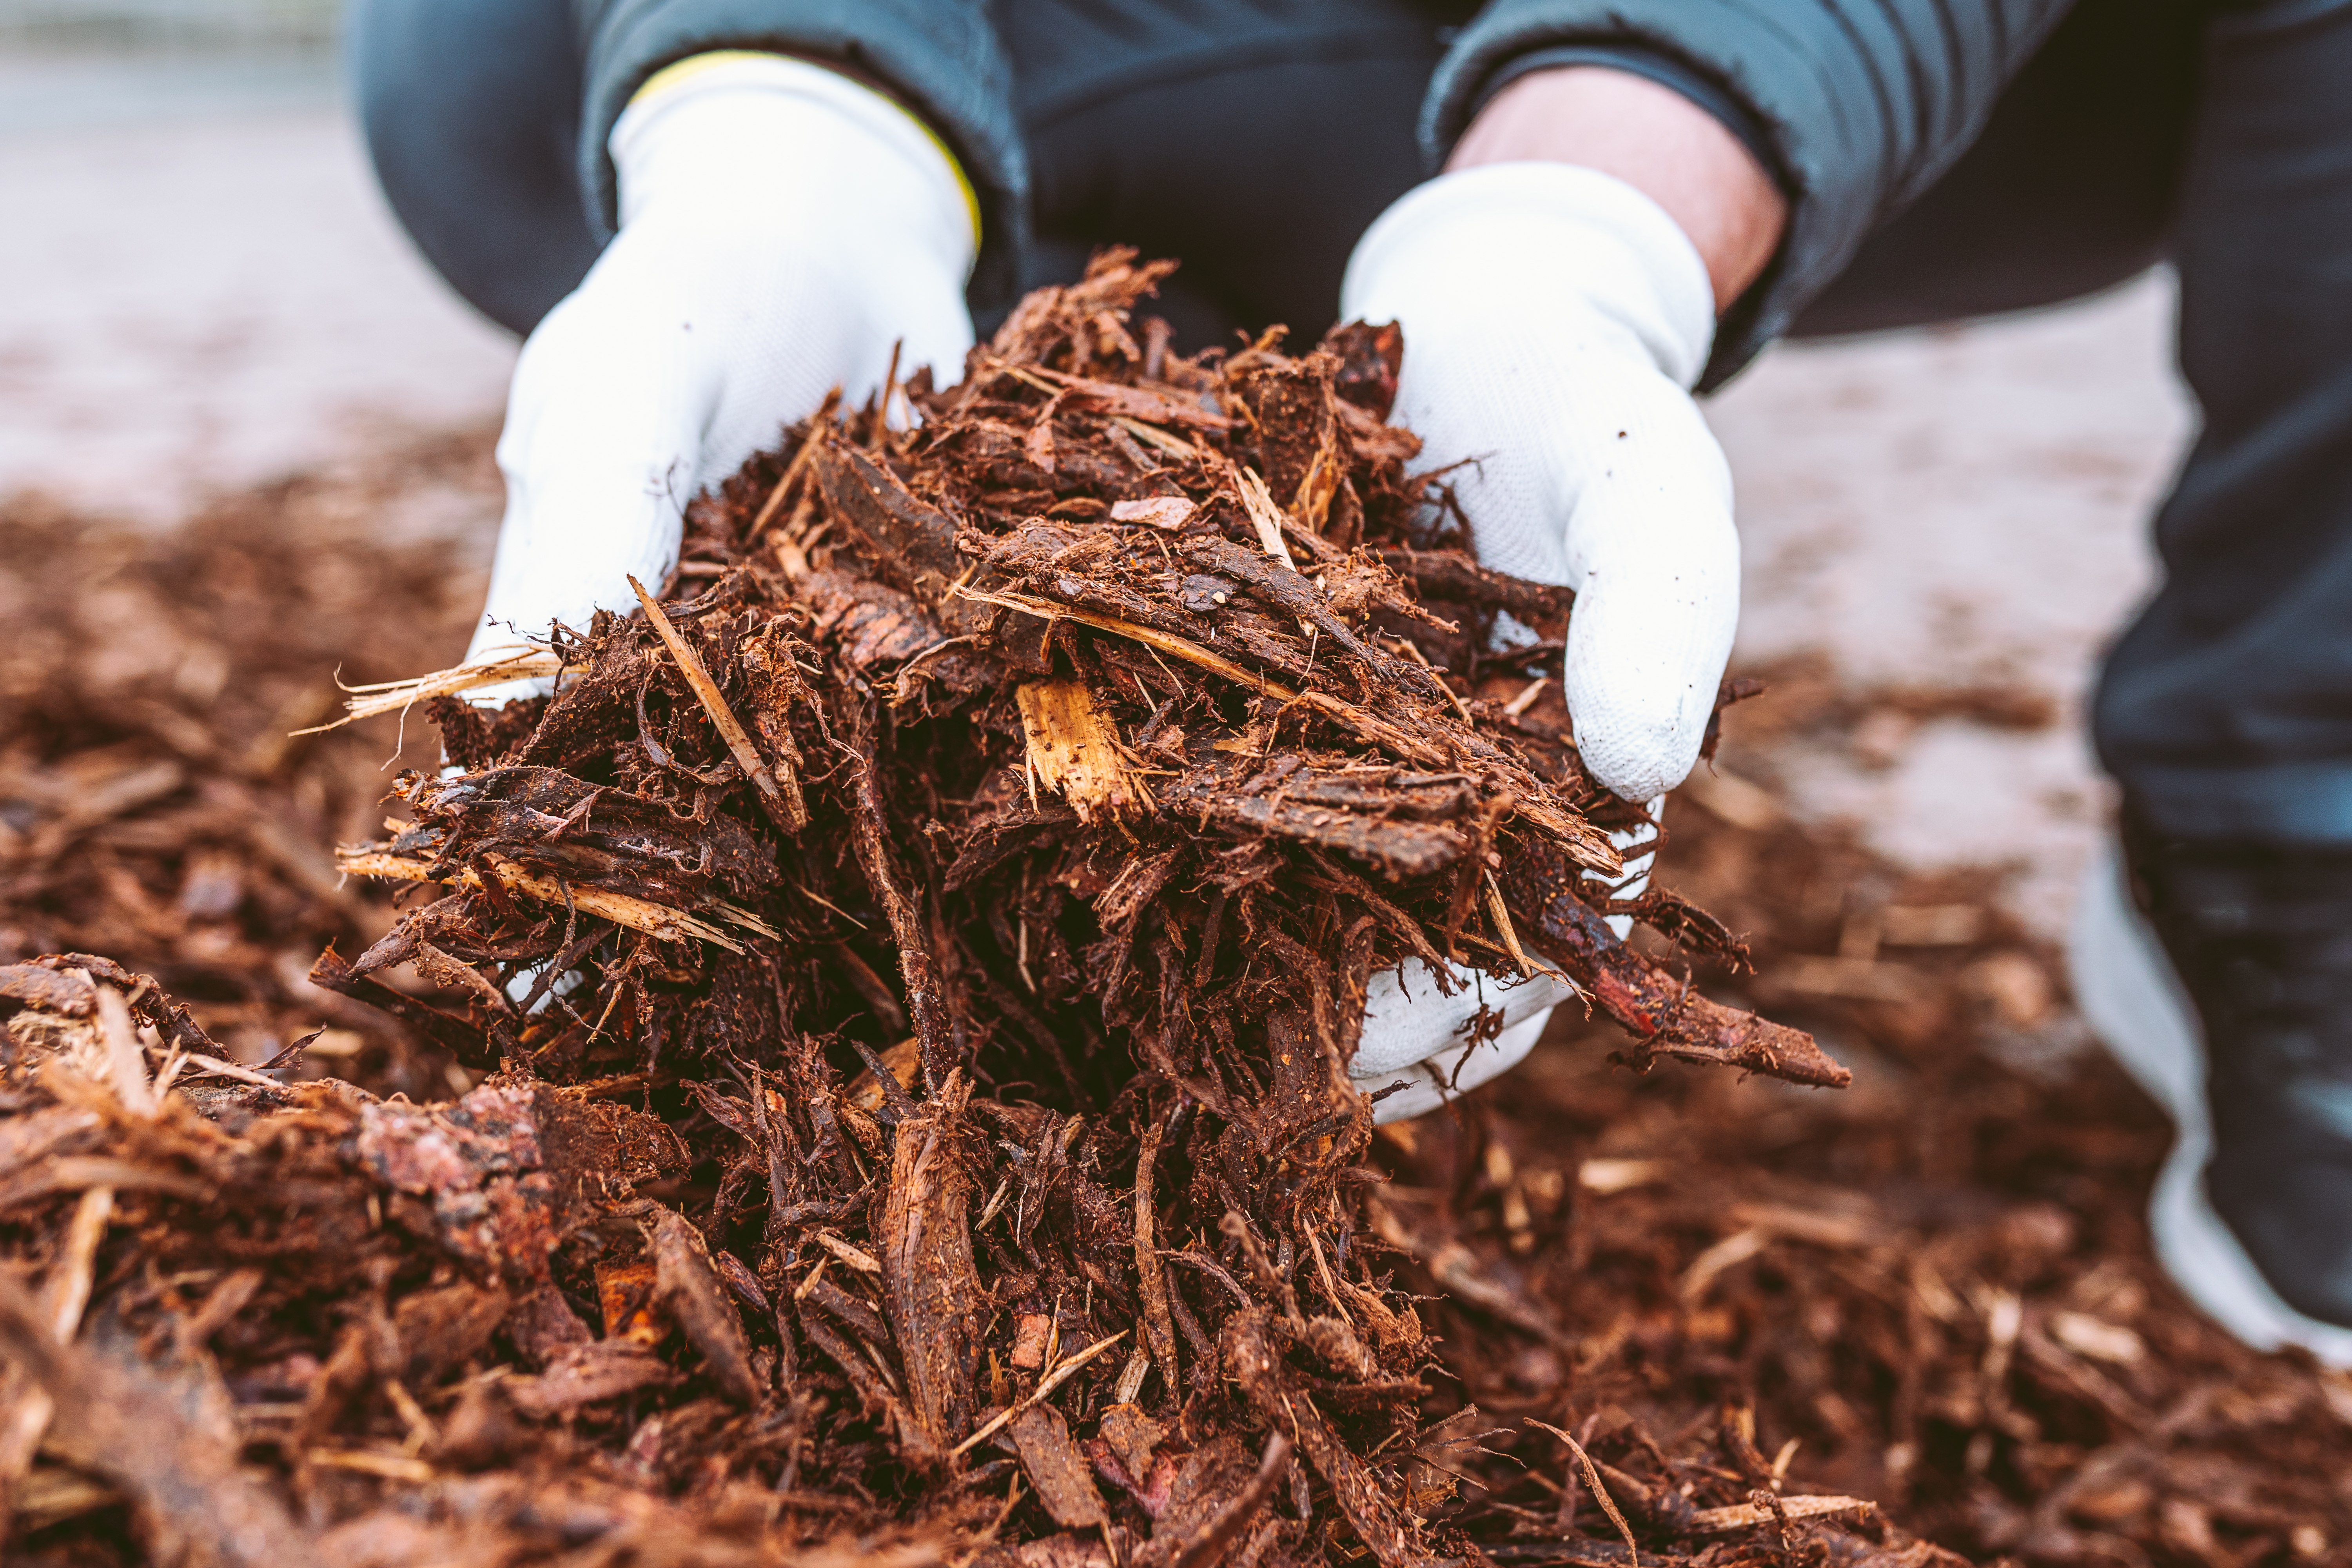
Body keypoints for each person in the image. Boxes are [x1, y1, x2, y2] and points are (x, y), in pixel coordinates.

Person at [351, 0, 2352, 1362]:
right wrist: (787, 104)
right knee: (492, 53)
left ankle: (2282, 804)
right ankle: (971, 223)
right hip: (1076, 43)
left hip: (1801, 79)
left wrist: (1597, 210)